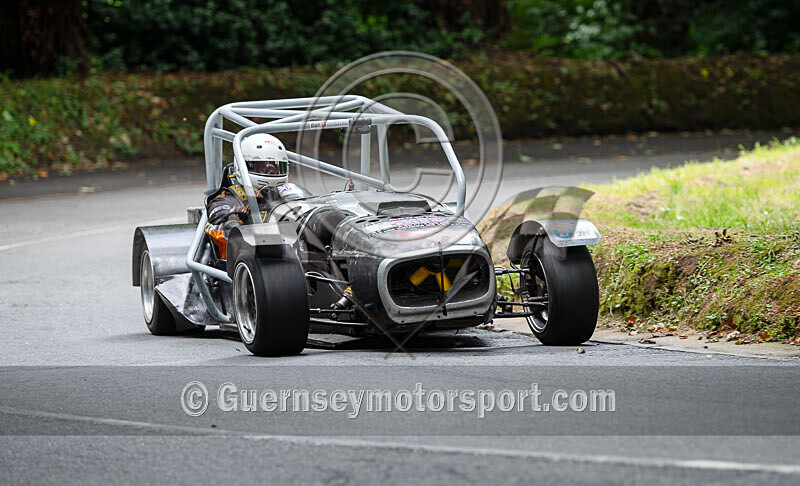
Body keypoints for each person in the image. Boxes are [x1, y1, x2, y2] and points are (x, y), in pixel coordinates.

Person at [204, 134, 309, 258]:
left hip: (295, 253)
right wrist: (246, 216)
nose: (270, 171)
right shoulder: (227, 200)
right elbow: (220, 225)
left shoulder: (286, 192)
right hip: (252, 260)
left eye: (275, 167)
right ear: (243, 167)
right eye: (262, 167)